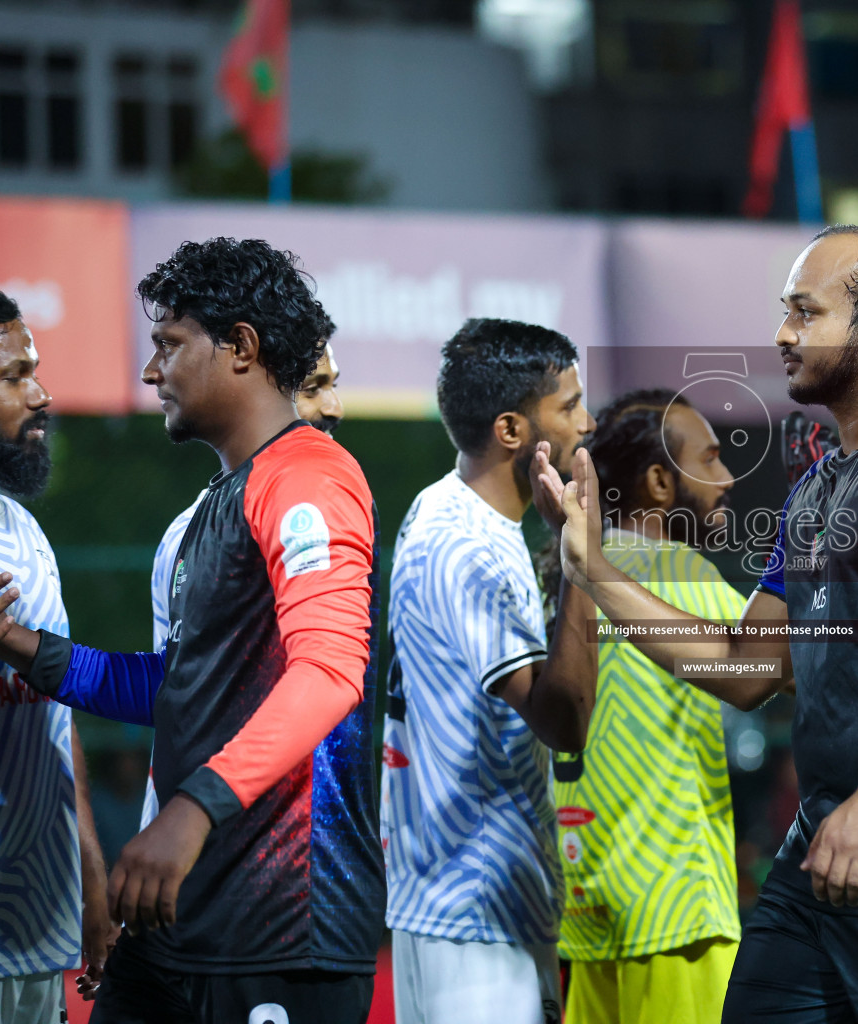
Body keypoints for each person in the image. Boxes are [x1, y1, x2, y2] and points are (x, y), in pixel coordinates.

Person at [541, 225, 858, 1022]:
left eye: (805, 313)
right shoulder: (814, 495)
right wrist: (593, 570)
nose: (782, 334)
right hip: (823, 863)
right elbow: (745, 671)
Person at [0, 239, 385, 1024]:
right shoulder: (217, 506)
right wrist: (12, 640)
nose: (152, 372)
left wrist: (189, 812)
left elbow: (329, 672)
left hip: (282, 927)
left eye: (169, 345)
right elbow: (179, 687)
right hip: (181, 919)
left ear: (242, 348)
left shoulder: (309, 477)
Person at [380, 318, 598, 1024]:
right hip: (472, 910)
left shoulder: (443, 512)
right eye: (567, 406)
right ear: (512, 429)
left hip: (462, 901)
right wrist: (580, 561)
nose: (586, 423)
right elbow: (564, 721)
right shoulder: (470, 545)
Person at [556, 389, 743, 1024]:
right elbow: (779, 671)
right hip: (674, 909)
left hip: (585, 909)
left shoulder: (559, 577)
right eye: (711, 460)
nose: (727, 478)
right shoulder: (674, 568)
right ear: (660, 482)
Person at [0, 284, 115, 1022]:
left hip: (35, 922)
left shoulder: (22, 528)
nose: (42, 394)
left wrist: (90, 874)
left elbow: (55, 715)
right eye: (13, 376)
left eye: (35, 370)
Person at [139, 341, 345, 826]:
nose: (335, 408)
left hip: (304, 847)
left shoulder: (327, 505)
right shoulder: (187, 535)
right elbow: (174, 695)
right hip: (215, 845)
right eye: (315, 389)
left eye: (335, 385)